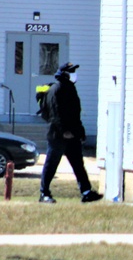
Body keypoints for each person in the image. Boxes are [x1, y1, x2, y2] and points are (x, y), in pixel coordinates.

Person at [38, 62, 103, 204]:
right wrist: (64, 131)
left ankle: (86, 192)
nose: (74, 74)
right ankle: (44, 193)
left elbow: (74, 114)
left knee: (78, 164)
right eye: (72, 71)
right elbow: (56, 114)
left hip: (72, 135)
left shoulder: (70, 89)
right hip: (58, 135)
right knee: (51, 164)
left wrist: (80, 132)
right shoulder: (57, 89)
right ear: (65, 74)